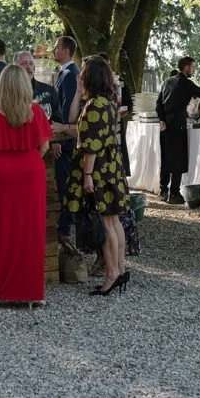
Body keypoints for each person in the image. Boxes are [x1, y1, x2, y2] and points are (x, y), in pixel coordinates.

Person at [0, 64, 51, 307]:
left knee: (3, 231)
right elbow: (44, 146)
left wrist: (1, 163)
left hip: (1, 172)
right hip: (31, 171)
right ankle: (31, 291)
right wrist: (26, 161)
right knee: (32, 231)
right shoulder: (35, 111)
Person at [65, 56, 130, 295]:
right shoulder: (109, 103)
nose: (79, 76)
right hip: (112, 168)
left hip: (100, 171)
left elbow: (91, 145)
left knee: (107, 223)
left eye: (82, 72)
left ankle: (111, 274)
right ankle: (120, 270)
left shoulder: (94, 106)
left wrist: (87, 175)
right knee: (114, 221)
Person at [156, 56, 200, 204]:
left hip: (165, 125)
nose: (193, 70)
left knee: (166, 158)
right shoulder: (186, 83)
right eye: (192, 67)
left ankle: (163, 190)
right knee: (177, 159)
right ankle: (174, 193)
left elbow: (158, 103)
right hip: (178, 124)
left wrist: (162, 119)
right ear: (186, 68)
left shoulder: (167, 82)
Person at [51, 35, 79, 242]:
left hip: (66, 140)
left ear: (66, 50)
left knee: (65, 184)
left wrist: (59, 139)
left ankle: (65, 228)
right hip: (63, 137)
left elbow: (67, 108)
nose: (54, 50)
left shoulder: (70, 75)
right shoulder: (64, 73)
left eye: (57, 47)